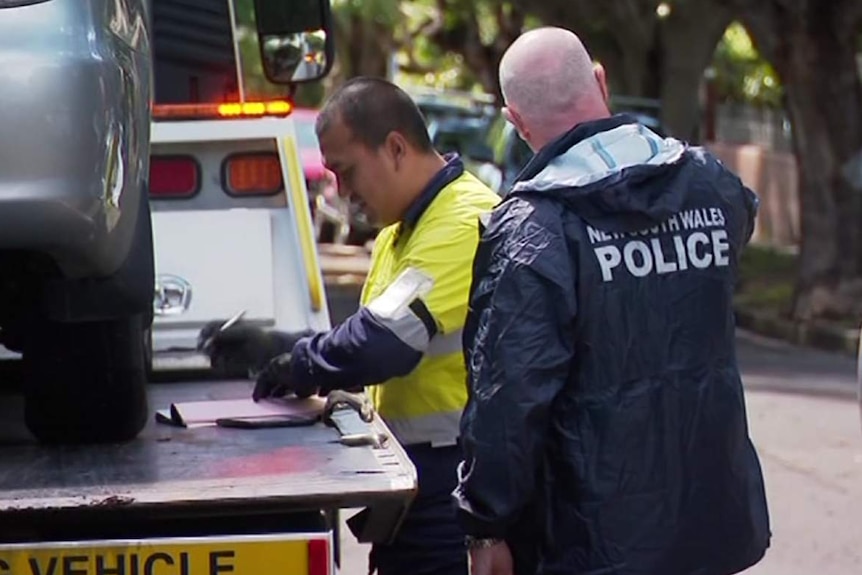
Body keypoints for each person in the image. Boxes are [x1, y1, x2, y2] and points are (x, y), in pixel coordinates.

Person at [453, 27, 771, 575]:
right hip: (712, 522)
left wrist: (486, 523)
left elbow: (508, 396)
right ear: (599, 80)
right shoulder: (711, 185)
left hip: (586, 540)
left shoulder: (532, 228)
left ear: (515, 120)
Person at [201, 77, 500, 575]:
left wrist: (300, 361)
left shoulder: (462, 220)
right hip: (419, 483)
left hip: (455, 485)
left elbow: (382, 347)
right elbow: (369, 336)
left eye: (346, 170)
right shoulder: (402, 231)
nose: (341, 190)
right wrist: (280, 345)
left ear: (396, 148)